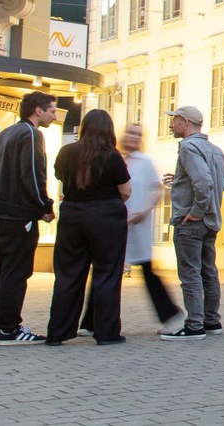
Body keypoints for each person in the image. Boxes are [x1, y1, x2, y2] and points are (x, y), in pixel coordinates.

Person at [81, 123, 180, 336]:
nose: (134, 137)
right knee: (105, 272)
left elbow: (157, 190)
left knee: (147, 272)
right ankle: (90, 322)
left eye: (138, 134)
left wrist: (143, 211)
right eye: (131, 133)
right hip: (115, 224)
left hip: (138, 225)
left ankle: (170, 315)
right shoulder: (115, 159)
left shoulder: (145, 162)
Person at [0, 90, 59, 344]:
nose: (55, 116)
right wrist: (45, 206)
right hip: (17, 214)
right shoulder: (31, 134)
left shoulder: (3, 134)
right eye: (52, 111)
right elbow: (33, 174)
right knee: (15, 271)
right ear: (38, 110)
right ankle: (10, 329)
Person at [46, 109, 131, 345]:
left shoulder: (66, 152)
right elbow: (125, 191)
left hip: (72, 214)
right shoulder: (112, 155)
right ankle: (106, 333)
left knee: (68, 273)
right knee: (107, 273)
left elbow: (60, 177)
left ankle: (58, 332)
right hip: (107, 216)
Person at [162, 105, 224, 340]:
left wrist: (197, 211)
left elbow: (204, 182)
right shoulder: (215, 150)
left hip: (191, 221)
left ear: (185, 122)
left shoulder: (188, 147)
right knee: (209, 271)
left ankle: (194, 325)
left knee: (190, 273)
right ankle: (212, 321)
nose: (171, 124)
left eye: (174, 120)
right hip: (211, 222)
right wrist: (181, 179)